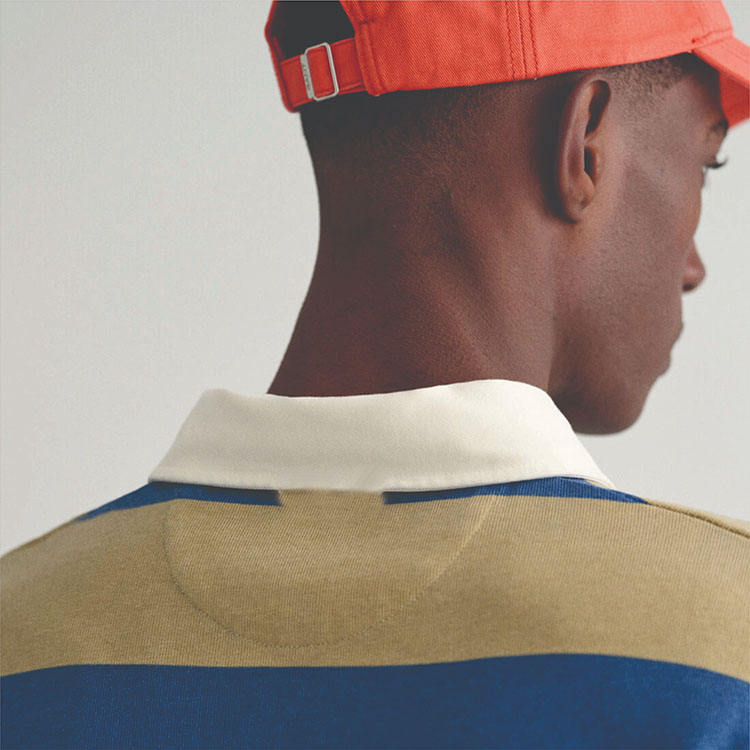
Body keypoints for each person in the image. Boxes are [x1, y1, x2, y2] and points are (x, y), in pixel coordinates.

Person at [1, 2, 748, 748]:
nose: (694, 268)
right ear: (584, 144)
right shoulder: (723, 647)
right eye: (706, 165)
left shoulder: (23, 636)